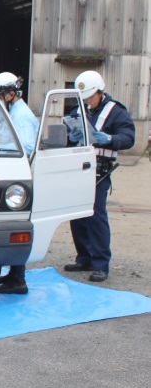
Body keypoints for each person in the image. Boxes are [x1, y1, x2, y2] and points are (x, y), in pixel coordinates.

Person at [64, 70, 135, 283]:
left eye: (90, 97)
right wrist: (70, 136)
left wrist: (110, 138)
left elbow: (129, 137)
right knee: (77, 216)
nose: (87, 101)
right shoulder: (80, 108)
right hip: (80, 168)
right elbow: (68, 137)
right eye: (84, 97)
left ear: (100, 92)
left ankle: (100, 264)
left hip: (99, 172)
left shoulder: (116, 111)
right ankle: (84, 257)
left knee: (96, 217)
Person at [0, 71, 39, 295]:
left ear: (10, 94)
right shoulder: (12, 112)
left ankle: (18, 279)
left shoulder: (21, 116)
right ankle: (14, 276)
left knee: (18, 222)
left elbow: (26, 148)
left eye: (0, 94)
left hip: (21, 178)